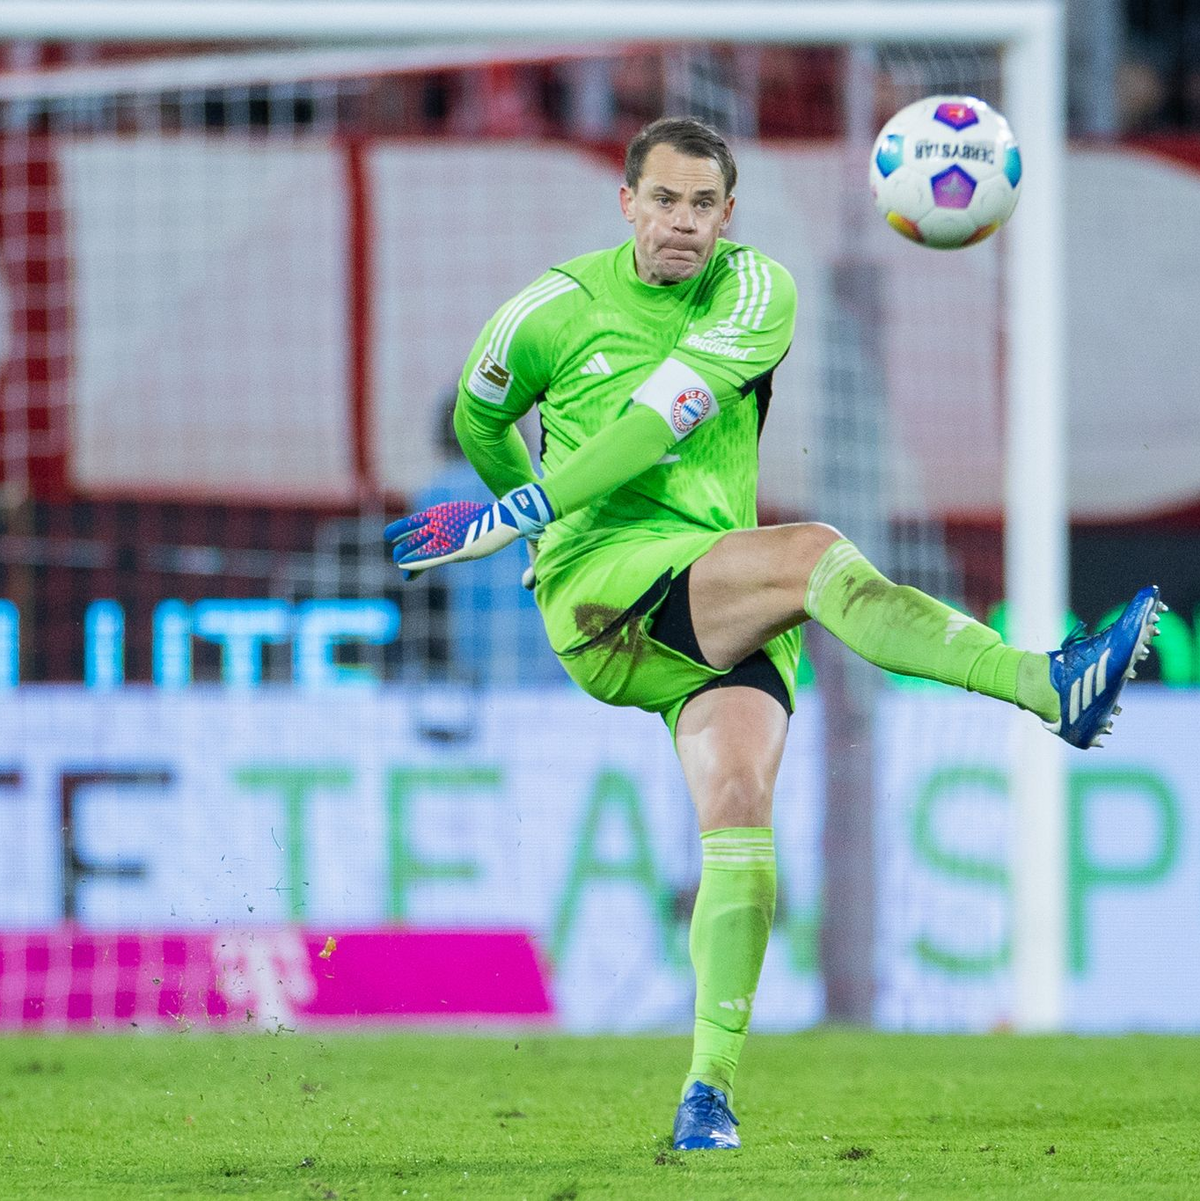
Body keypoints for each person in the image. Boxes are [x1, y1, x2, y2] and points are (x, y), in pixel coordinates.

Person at [384, 116, 1163, 1151]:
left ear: (728, 214)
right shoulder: (548, 313)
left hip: (712, 590)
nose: (682, 223)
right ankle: (1045, 683)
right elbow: (481, 418)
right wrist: (535, 523)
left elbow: (655, 421)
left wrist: (519, 508)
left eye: (703, 205)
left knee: (740, 811)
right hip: (604, 586)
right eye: (664, 200)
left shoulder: (757, 290)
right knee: (811, 557)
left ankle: (706, 1095)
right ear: (627, 202)